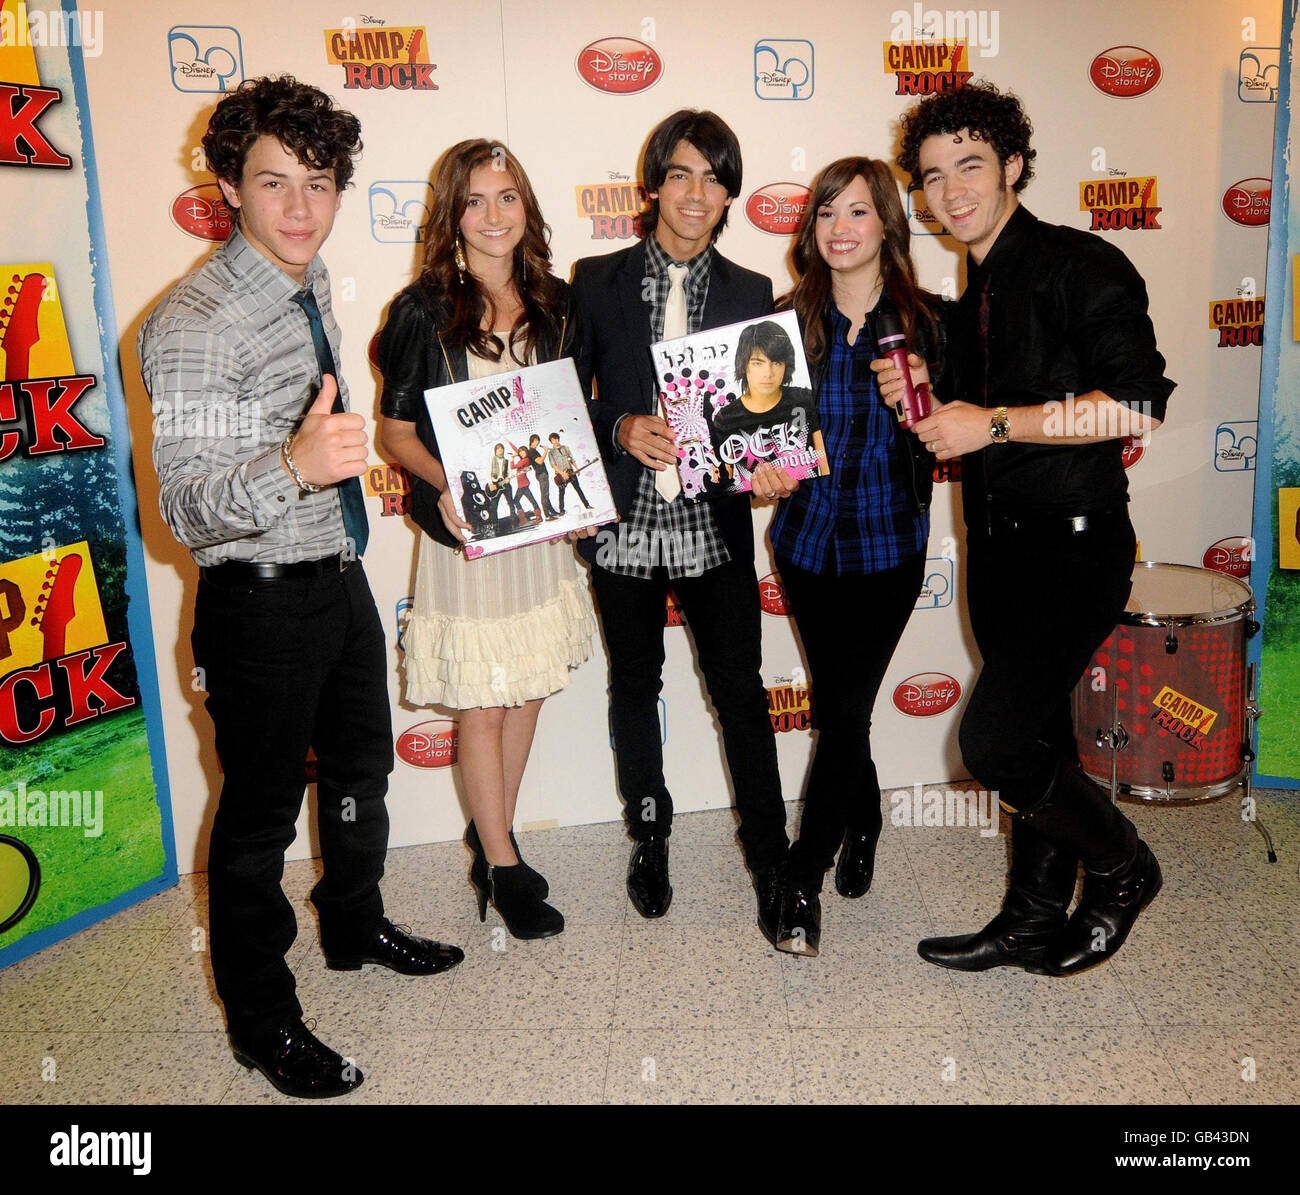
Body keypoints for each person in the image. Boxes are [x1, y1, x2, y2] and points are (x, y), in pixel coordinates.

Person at [138, 76, 463, 1100]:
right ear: (228, 184)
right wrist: (294, 464)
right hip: (255, 601)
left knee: (364, 763)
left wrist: (318, 478)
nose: (297, 208)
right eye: (272, 182)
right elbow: (185, 510)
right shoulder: (193, 322)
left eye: (317, 185)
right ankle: (262, 1025)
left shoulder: (306, 277)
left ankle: (354, 926)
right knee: (258, 824)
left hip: (335, 573)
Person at [895, 82, 1174, 976]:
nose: (951, 191)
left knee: (993, 743)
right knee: (1041, 734)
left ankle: (1124, 867)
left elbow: (1136, 407)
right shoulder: (969, 291)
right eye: (933, 176)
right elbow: (969, 419)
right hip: (997, 548)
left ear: (1013, 165)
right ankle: (1030, 916)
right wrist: (931, 410)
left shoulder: (1079, 264)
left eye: (970, 165)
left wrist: (997, 422)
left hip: (1074, 547)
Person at [571, 109, 790, 948]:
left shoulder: (751, 294)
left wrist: (768, 462)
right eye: (683, 174)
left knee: (741, 695)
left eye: (715, 177)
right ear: (653, 183)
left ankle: (769, 861)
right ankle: (650, 834)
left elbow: (760, 415)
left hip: (712, 525)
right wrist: (620, 426)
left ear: (730, 192)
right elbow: (568, 397)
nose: (698, 194)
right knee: (635, 686)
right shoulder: (594, 281)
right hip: (626, 523)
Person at [377, 138, 595, 940]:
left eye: (508, 197)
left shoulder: (560, 304)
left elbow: (568, 421)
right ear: (452, 215)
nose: (494, 215)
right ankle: (503, 864)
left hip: (537, 533)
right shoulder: (423, 310)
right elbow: (396, 432)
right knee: (484, 698)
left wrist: (581, 491)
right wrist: (448, 484)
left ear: (526, 209)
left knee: (529, 683)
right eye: (476, 200)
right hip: (470, 535)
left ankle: (490, 832)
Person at [755, 157, 943, 957]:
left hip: (889, 545)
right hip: (804, 544)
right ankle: (863, 816)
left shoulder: (931, 323)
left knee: (842, 711)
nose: (840, 229)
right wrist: (760, 468)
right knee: (844, 710)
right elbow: (757, 443)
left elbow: (950, 433)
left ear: (887, 226)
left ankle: (800, 876)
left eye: (858, 213)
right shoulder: (782, 325)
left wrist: (928, 399)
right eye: (827, 213)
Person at [546, 431, 591, 513]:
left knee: (578, 489)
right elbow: (553, 465)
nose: (555, 441)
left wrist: (577, 468)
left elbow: (571, 459)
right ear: (551, 441)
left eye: (556, 439)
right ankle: (561, 510)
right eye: (553, 440)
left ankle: (587, 505)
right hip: (560, 476)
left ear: (558, 439)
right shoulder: (551, 452)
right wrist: (562, 474)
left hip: (570, 472)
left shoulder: (565, 448)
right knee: (561, 492)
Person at [527, 433, 560, 519]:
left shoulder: (534, 450)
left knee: (546, 493)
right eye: (536, 440)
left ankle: (551, 511)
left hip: (542, 474)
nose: (537, 442)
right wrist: (545, 451)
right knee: (544, 494)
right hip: (541, 474)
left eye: (538, 440)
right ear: (532, 441)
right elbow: (540, 461)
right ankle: (547, 515)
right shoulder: (531, 451)